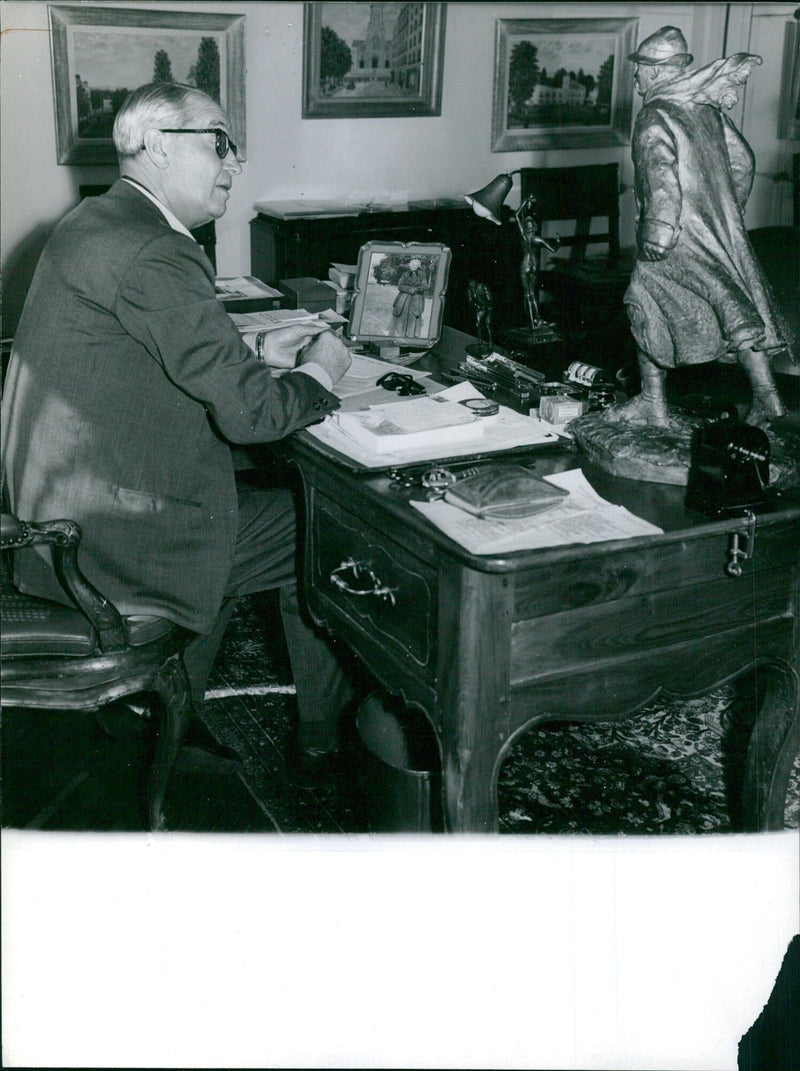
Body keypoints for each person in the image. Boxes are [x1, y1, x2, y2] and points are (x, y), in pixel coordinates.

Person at [0, 82, 357, 777]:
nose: (234, 162)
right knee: (317, 525)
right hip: (108, 543)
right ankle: (321, 738)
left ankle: (172, 704)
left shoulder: (93, 223)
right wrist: (321, 371)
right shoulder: (156, 249)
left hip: (56, 514)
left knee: (247, 508)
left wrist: (254, 355)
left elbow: (140, 360)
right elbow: (255, 416)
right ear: (159, 146)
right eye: (220, 142)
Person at [611, 26, 793, 428]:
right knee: (734, 303)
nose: (637, 76)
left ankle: (653, 403)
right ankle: (766, 397)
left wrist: (658, 229)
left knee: (642, 301)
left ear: (656, 72)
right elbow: (742, 159)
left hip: (674, 234)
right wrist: (730, 210)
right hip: (713, 227)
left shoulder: (654, 114)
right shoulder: (706, 110)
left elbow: (659, 173)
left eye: (640, 69)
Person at [515, 196, 560, 331]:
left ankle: (532, 322)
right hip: (534, 266)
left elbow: (517, 215)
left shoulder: (524, 237)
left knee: (527, 294)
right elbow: (554, 248)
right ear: (534, 227)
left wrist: (524, 202)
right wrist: (558, 240)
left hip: (525, 265)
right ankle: (537, 318)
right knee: (533, 293)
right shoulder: (537, 239)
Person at [391, 257, 427, 337]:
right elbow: (400, 286)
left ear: (419, 266)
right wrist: (410, 289)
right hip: (404, 300)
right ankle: (398, 335)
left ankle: (411, 336)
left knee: (414, 317)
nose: (415, 266)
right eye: (413, 265)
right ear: (410, 265)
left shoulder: (422, 274)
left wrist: (416, 289)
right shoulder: (405, 273)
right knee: (401, 317)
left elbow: (425, 286)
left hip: (417, 299)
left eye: (417, 265)